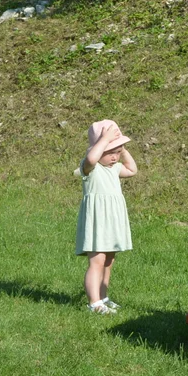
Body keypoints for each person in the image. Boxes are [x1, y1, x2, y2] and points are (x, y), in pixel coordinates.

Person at [77, 120, 137, 314]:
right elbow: (92, 159)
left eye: (117, 153)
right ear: (97, 148)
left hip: (111, 220)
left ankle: (103, 297)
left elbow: (132, 170)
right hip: (97, 222)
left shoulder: (115, 168)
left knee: (109, 260)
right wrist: (104, 140)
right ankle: (94, 303)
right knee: (97, 261)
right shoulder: (90, 169)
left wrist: (122, 148)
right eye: (110, 152)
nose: (114, 157)